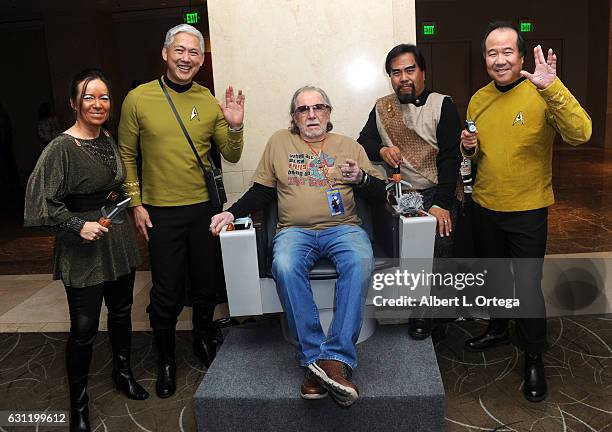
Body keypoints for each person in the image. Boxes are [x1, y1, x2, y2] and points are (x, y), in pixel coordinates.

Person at [210, 85, 386, 407]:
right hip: (295, 231)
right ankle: (319, 359)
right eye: (303, 109)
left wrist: (361, 178)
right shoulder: (280, 142)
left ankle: (331, 361)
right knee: (285, 265)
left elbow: (379, 193)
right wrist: (230, 212)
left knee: (360, 260)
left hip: (343, 228)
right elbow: (261, 191)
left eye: (318, 107)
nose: (312, 114)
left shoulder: (349, 146)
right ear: (294, 117)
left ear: (329, 113)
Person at [460, 22, 592, 402]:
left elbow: (581, 133)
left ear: (520, 55)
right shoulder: (478, 99)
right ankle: (499, 328)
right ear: (484, 58)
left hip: (527, 210)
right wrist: (469, 147)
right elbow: (477, 155)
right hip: (486, 204)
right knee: (496, 277)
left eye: (507, 52)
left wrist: (553, 88)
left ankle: (534, 355)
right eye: (491, 53)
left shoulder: (542, 92)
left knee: (528, 287)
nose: (499, 60)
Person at [118, 24, 245, 398]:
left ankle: (203, 338)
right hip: (160, 212)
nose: (186, 58)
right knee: (167, 291)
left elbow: (232, 154)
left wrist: (235, 126)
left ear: (201, 59)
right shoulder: (138, 99)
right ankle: (166, 360)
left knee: (206, 283)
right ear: (165, 53)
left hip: (204, 210)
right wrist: (136, 204)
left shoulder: (209, 100)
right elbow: (126, 154)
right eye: (180, 50)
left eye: (194, 52)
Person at [24, 69, 148, 432]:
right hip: (82, 250)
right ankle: (78, 406)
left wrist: (130, 205)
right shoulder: (60, 148)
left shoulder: (107, 138)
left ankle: (122, 374)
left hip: (117, 239)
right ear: (74, 103)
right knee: (83, 328)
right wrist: (79, 224)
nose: (98, 104)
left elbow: (115, 184)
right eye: (90, 97)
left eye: (104, 97)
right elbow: (39, 205)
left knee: (122, 313)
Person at [357, 43, 462, 339]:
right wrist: (382, 148)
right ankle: (419, 309)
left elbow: (452, 157)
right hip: (402, 193)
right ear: (390, 77)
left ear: (423, 73)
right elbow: (363, 141)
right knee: (409, 253)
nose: (403, 77)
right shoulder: (383, 107)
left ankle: (434, 313)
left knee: (440, 249)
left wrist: (441, 204)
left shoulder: (443, 105)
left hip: (437, 191)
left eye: (409, 70)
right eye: (396, 72)